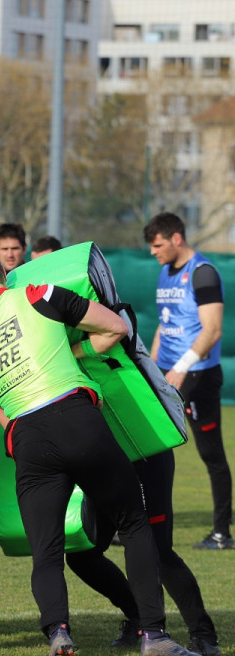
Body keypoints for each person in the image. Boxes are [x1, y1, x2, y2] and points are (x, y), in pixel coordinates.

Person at [0, 244, 203, 656]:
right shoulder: (35, 294)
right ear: (1, 272)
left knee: (47, 552)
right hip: (76, 418)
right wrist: (76, 354)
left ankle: (59, 633)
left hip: (27, 439)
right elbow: (116, 327)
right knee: (134, 524)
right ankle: (155, 634)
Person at [66, 450, 221, 656]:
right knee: (82, 554)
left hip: (146, 454)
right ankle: (137, 616)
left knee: (159, 551)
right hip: (103, 460)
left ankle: (204, 636)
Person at [145, 211, 232, 550]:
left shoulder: (203, 273)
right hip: (169, 372)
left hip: (196, 374)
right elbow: (164, 325)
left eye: (158, 245)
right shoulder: (165, 273)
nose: (154, 252)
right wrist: (150, 366)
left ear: (176, 239)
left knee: (210, 454)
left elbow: (212, 330)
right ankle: (138, 525)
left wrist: (181, 367)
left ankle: (222, 533)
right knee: (147, 441)